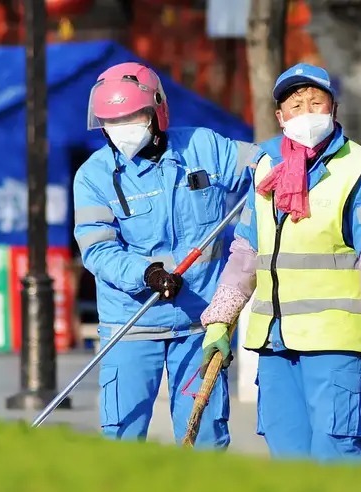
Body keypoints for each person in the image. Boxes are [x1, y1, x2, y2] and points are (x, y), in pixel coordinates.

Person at [200, 62, 361, 462]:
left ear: (333, 109)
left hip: (335, 342)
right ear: (281, 117)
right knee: (288, 460)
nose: (307, 112)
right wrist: (220, 319)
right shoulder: (266, 169)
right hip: (275, 343)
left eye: (316, 102)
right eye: (296, 104)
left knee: (335, 452)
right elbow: (245, 252)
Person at [73, 62, 259, 449]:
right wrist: (147, 274)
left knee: (205, 434)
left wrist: (282, 164)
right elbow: (98, 250)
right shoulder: (93, 176)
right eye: (111, 120)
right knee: (122, 435)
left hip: (199, 325)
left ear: (157, 111)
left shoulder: (204, 147)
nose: (122, 127)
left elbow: (263, 166)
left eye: (133, 116)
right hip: (131, 325)